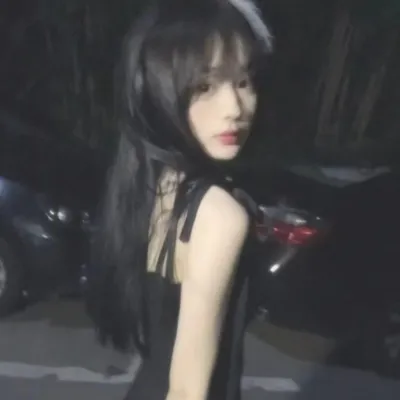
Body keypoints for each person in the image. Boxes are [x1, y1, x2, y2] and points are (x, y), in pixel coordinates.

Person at [85, 0, 273, 399]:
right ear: (159, 91)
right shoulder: (219, 214)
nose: (234, 108)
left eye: (244, 81)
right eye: (205, 86)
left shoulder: (151, 186)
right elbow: (188, 391)